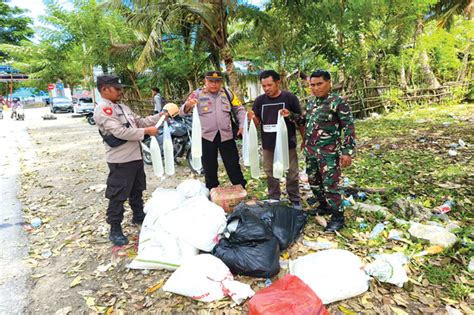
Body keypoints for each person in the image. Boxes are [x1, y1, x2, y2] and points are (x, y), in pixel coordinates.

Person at [93, 75, 167, 246]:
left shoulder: (123, 107)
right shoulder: (104, 110)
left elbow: (140, 122)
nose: (121, 91)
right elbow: (120, 132)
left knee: (136, 189)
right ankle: (115, 229)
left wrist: (159, 116)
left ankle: (138, 215)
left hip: (135, 156)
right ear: (104, 89)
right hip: (120, 159)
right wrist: (147, 132)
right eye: (117, 89)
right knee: (118, 194)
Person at [293, 70, 356, 232]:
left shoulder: (338, 103)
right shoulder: (312, 103)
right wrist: (291, 116)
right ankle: (324, 206)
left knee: (330, 184)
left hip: (329, 153)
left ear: (329, 83)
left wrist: (347, 152)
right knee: (314, 182)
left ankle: (338, 217)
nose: (315, 88)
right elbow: (305, 122)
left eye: (319, 84)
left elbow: (348, 128)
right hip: (311, 151)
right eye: (312, 85)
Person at [180, 71, 247, 190]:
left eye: (217, 81)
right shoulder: (197, 94)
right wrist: (188, 105)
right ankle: (212, 192)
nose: (214, 84)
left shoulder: (227, 93)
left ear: (220, 82)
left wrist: (242, 125)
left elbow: (239, 109)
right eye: (210, 81)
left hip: (226, 135)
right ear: (205, 81)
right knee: (209, 167)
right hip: (206, 137)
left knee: (233, 165)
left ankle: (240, 189)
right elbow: (182, 112)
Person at [247, 70, 303, 209]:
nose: (266, 89)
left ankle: (295, 199)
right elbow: (257, 122)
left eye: (269, 85)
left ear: (278, 82)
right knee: (270, 172)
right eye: (264, 86)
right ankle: (274, 198)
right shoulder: (260, 101)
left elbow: (301, 120)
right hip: (268, 144)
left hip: (287, 143)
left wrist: (305, 139)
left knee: (292, 172)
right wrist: (252, 118)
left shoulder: (290, 98)